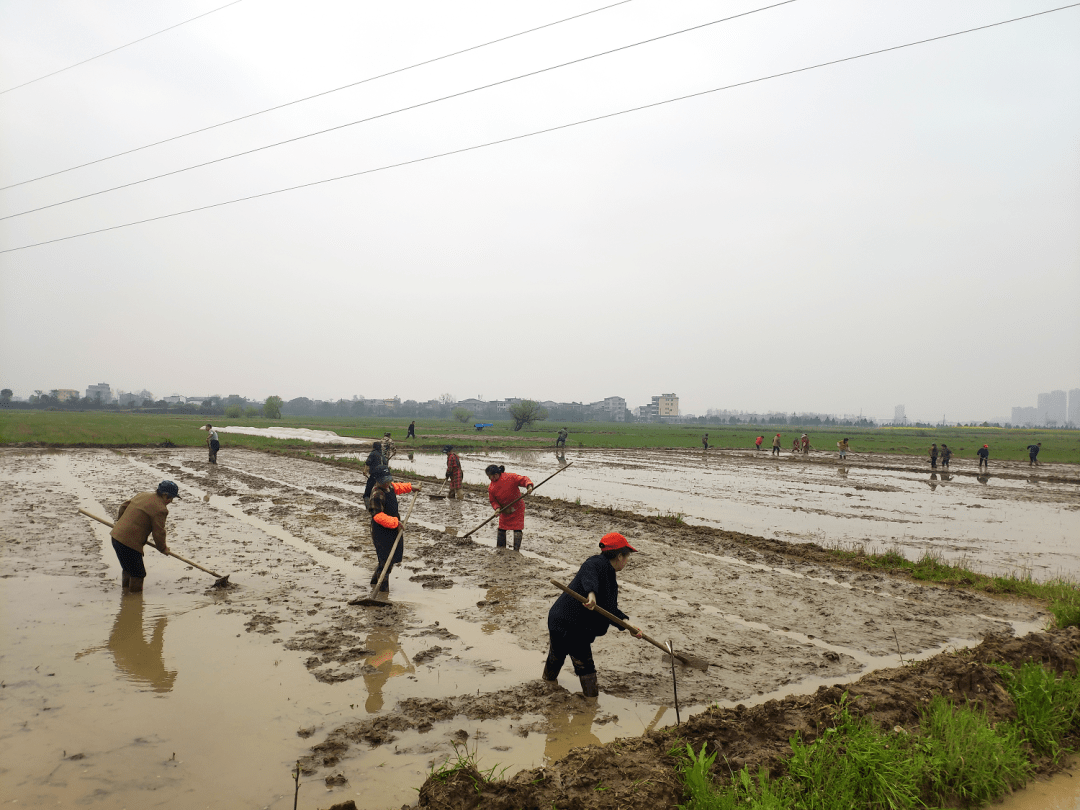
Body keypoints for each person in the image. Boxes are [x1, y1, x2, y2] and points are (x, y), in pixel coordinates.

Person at [544, 532, 643, 697]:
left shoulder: (610, 577)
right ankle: (591, 704)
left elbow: (610, 609)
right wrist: (591, 594)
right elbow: (589, 576)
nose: (627, 561)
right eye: (627, 557)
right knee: (585, 666)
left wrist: (627, 624)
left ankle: (547, 683)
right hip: (572, 626)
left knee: (556, 655)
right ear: (619, 556)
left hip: (559, 621)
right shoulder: (595, 563)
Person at [110, 480, 179, 592]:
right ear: (165, 495)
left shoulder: (143, 495)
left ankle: (126, 594)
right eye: (171, 498)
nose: (171, 501)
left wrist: (120, 524)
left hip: (116, 537)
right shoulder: (161, 509)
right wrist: (163, 548)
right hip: (129, 544)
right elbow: (159, 532)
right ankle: (134, 603)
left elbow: (123, 507)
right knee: (138, 574)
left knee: (128, 569)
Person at [366, 468, 418, 592]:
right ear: (378, 481)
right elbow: (378, 516)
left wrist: (411, 487)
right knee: (385, 562)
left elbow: (398, 487)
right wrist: (396, 523)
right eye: (384, 481)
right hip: (381, 532)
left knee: (386, 561)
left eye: (388, 480)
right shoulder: (377, 494)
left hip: (392, 530)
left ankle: (374, 582)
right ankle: (383, 592)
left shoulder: (389, 487)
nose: (387, 483)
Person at [486, 464, 534, 550]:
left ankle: (516, 550)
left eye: (491, 477)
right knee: (501, 529)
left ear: (496, 474)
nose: (490, 479)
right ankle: (500, 548)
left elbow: (524, 479)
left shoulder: (510, 477)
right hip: (504, 510)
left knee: (517, 529)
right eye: (489, 477)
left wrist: (529, 486)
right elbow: (493, 501)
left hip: (517, 508)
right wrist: (497, 508)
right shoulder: (491, 487)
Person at [363, 442, 383, 508]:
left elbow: (367, 463)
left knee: (367, 493)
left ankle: (368, 508)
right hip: (382, 477)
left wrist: (365, 471)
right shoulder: (382, 454)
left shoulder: (372, 453)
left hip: (374, 476)